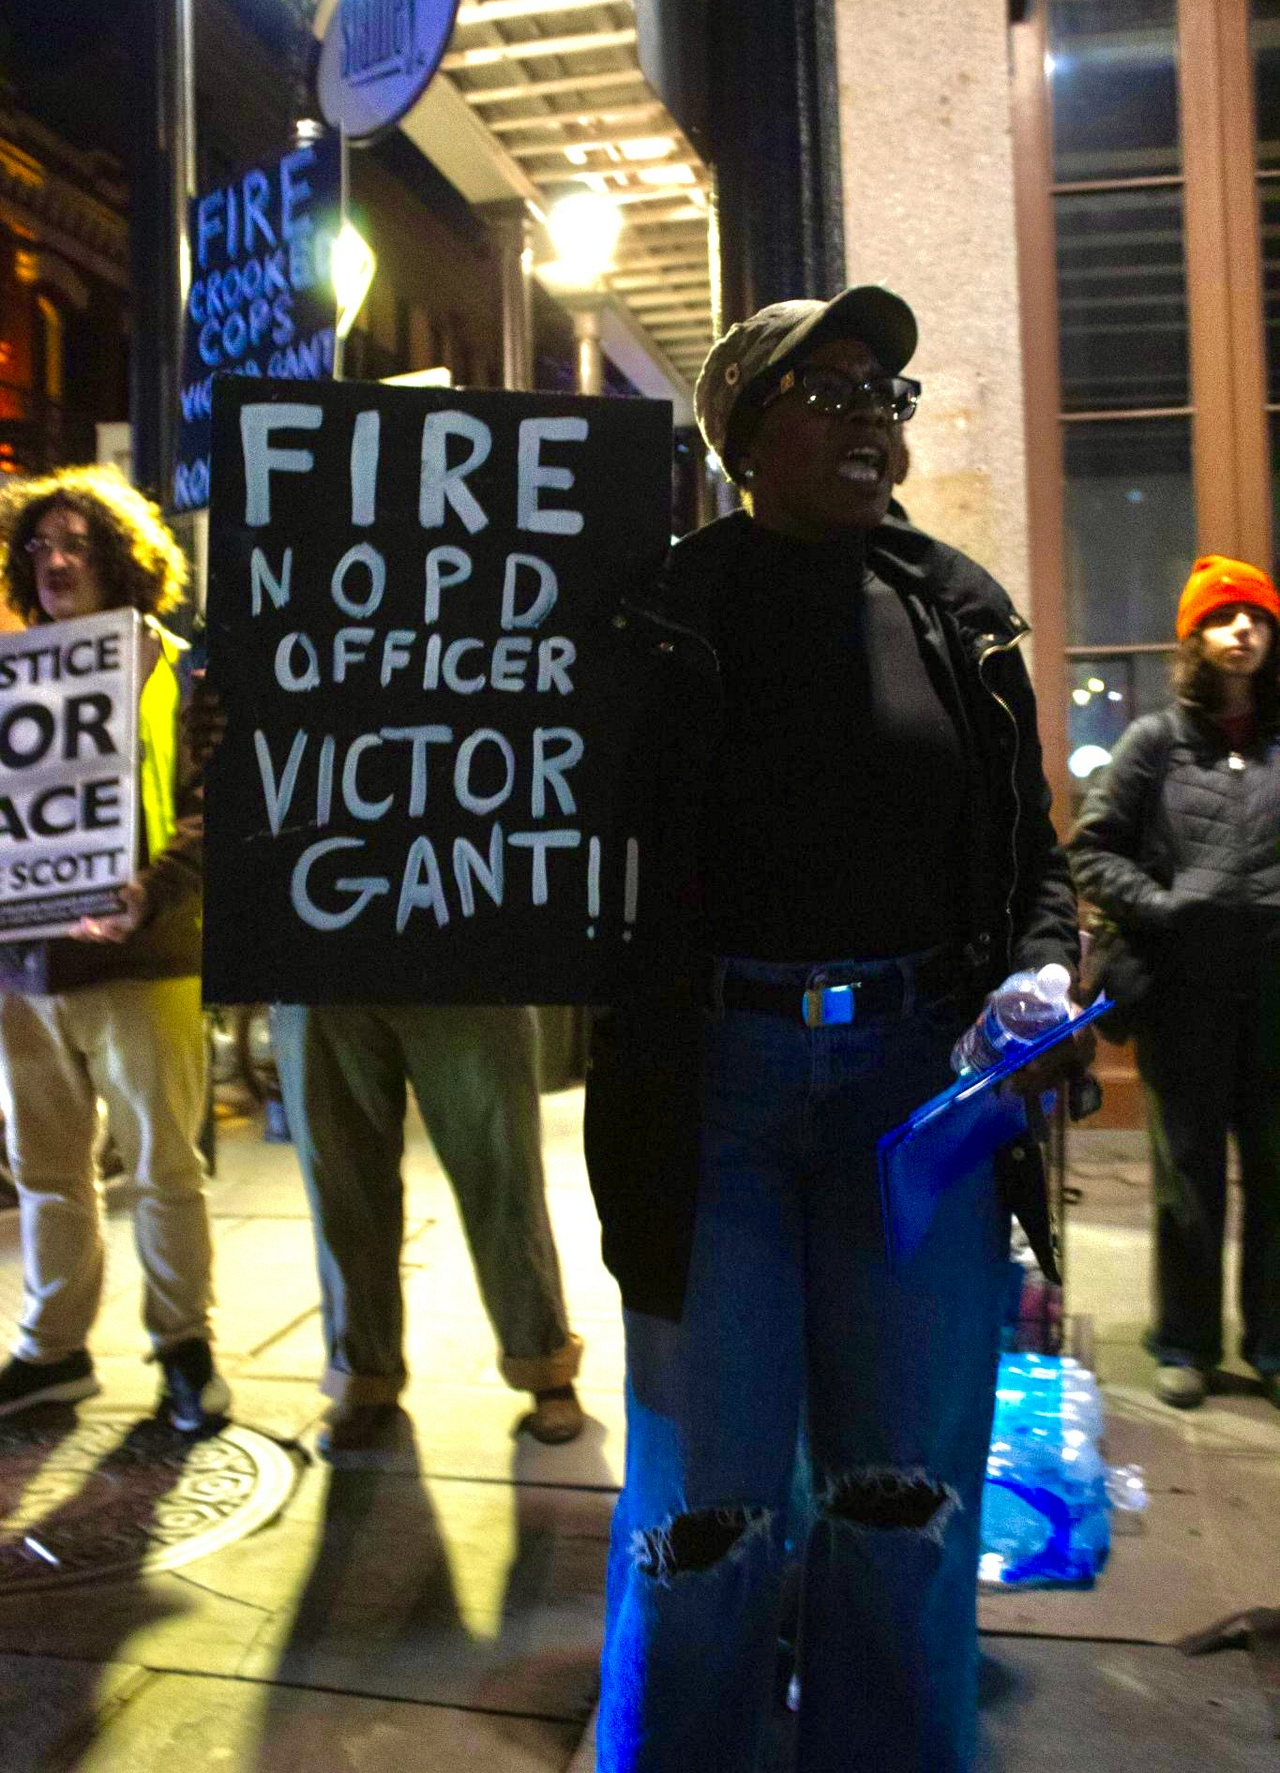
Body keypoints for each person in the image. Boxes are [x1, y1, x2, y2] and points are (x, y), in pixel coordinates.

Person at [583, 286, 1091, 1773]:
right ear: (745, 429)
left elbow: (1034, 855)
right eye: (833, 388)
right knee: (710, 1506)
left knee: (904, 1489)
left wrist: (1040, 976)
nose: (874, 415)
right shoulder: (654, 614)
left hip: (917, 1091)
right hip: (711, 1094)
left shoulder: (958, 609)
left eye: (890, 394)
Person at [0, 465, 229, 1432]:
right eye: (41, 547)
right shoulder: (8, 680)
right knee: (45, 1171)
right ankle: (53, 1350)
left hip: (145, 958)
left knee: (163, 1165)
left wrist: (153, 890)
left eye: (78, 545)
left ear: (125, 560)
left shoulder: (179, 669)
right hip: (24, 969)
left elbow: (215, 808)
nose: (56, 561)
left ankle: (184, 1346)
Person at [1070, 555, 1280, 1413]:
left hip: (1274, 996)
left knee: (1276, 1174)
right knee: (1186, 1175)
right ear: (1195, 637)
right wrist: (1161, 905)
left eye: (1259, 619)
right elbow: (1090, 848)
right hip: (1183, 994)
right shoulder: (1155, 742)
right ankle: (1183, 1343)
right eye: (1227, 618)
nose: (1245, 632)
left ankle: (1271, 1346)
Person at [269, 1002, 585, 1459]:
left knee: (502, 1174)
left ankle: (543, 1362)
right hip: (318, 972)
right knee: (343, 1187)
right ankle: (363, 1377)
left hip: (463, 962)